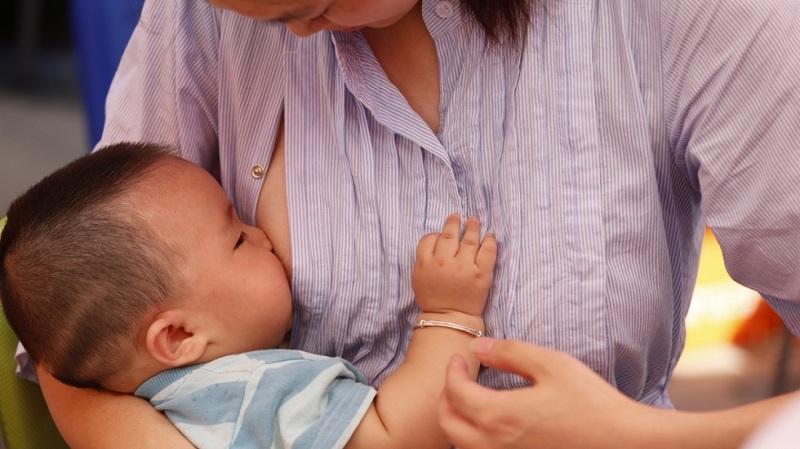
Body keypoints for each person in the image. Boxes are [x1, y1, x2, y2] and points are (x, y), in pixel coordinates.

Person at [22, 0, 800, 447]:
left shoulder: (696, 20)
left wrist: (633, 437)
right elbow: (76, 329)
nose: (291, 33)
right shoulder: (206, 18)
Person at [1, 142, 495, 449]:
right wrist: (449, 313)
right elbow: (399, 435)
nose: (261, 234)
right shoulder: (255, 395)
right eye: (237, 238)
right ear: (177, 335)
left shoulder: (160, 406)